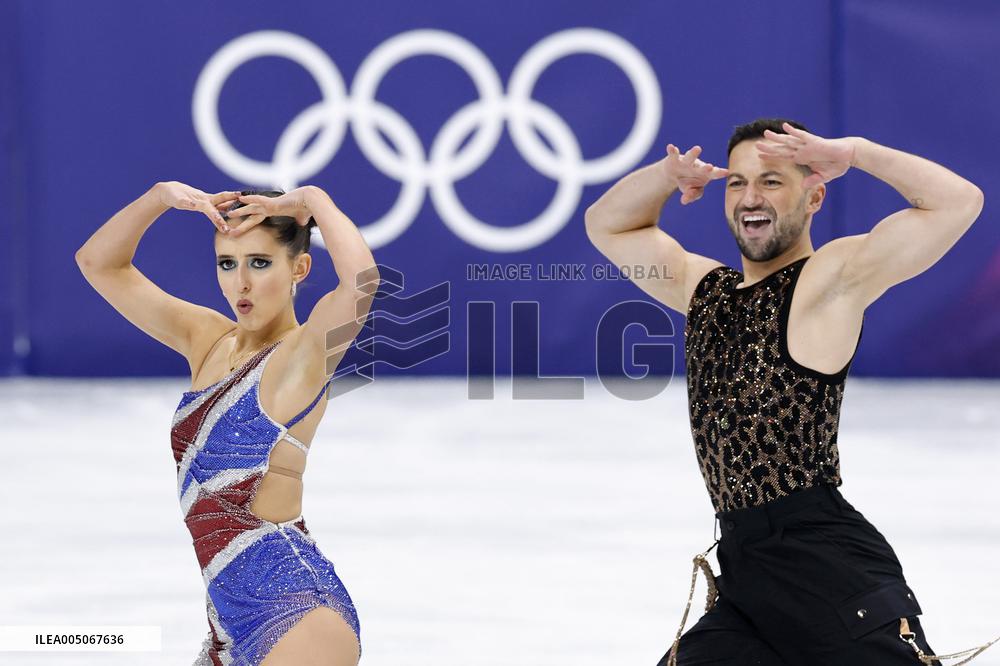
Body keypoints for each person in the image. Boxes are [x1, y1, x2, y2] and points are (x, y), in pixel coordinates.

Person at [585, 118, 986, 664]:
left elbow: (957, 202)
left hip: (829, 574)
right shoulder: (705, 292)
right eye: (737, 183)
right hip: (747, 580)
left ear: (814, 197)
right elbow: (608, 226)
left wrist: (855, 152)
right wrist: (664, 176)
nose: (751, 197)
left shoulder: (829, 281)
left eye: (771, 181)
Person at [76, 182, 379, 666]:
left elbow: (362, 282)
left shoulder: (303, 355)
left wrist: (311, 200)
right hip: (226, 628)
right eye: (227, 263)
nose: (241, 283)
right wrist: (160, 197)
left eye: (259, 263)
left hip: (297, 616)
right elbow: (99, 263)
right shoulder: (206, 340)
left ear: (299, 268)